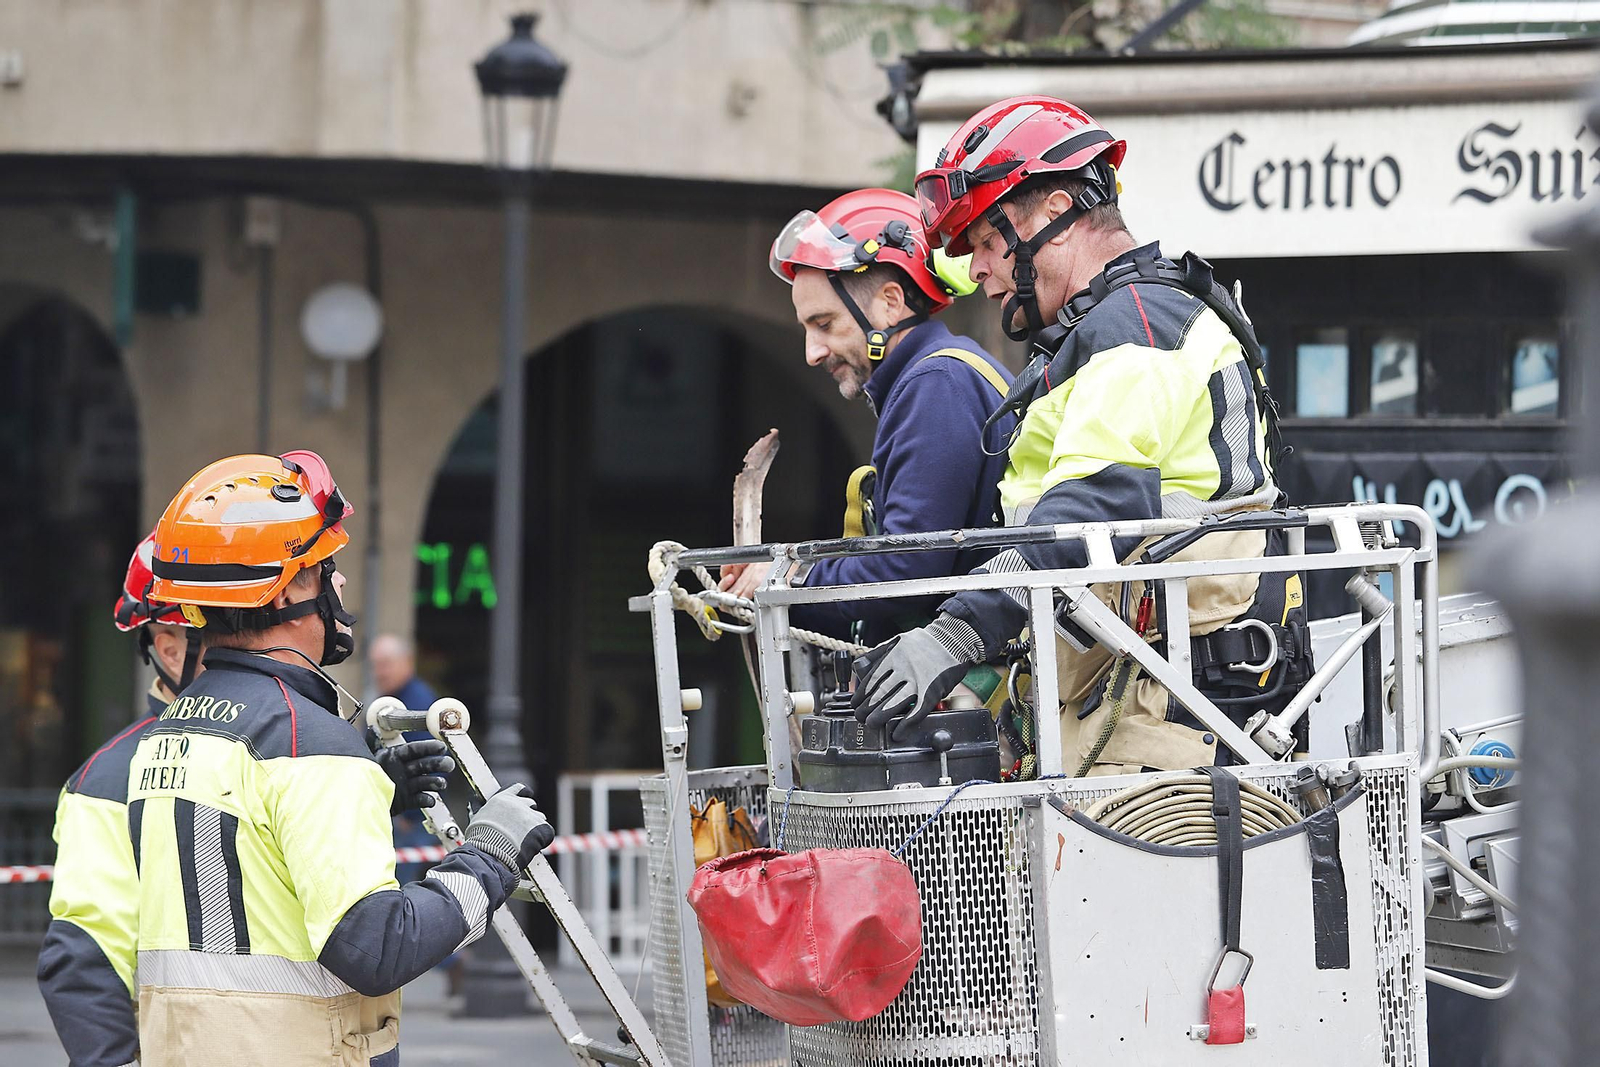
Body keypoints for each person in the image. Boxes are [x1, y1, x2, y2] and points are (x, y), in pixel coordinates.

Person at [853, 97, 1311, 774]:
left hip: (1176, 717)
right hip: (1140, 694)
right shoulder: (1109, 328)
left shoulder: (1138, 326)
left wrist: (954, 635)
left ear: (1056, 213)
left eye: (984, 243)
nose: (975, 270)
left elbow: (1089, 511)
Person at [126, 452, 555, 1067]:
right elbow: (378, 949)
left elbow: (250, 879)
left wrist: (373, 796)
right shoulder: (311, 742)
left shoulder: (171, 729)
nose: (341, 583)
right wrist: (490, 857)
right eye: (325, 567)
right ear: (287, 590)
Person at [721, 189, 1016, 645]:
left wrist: (785, 580)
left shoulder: (936, 384)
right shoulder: (940, 376)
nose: (811, 352)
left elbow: (906, 568)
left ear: (891, 303)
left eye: (824, 324)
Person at [37, 531, 204, 1067]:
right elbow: (85, 957)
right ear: (170, 650)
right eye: (238, 635)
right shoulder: (109, 780)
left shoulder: (288, 746)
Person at [370, 633, 438, 711]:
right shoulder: (385, 699)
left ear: (406, 662)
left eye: (385, 664)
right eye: (375, 665)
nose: (379, 673)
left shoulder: (419, 702)